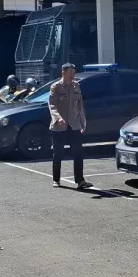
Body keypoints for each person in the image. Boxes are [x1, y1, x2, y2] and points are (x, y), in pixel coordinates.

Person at [48, 62, 92, 190]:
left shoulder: (76, 86)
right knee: (58, 153)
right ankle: (56, 179)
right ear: (63, 73)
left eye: (74, 73)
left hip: (74, 125)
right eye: (70, 73)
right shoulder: (56, 87)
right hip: (59, 126)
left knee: (78, 152)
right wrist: (58, 118)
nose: (73, 75)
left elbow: (80, 106)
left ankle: (80, 180)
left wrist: (83, 123)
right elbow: (52, 105)